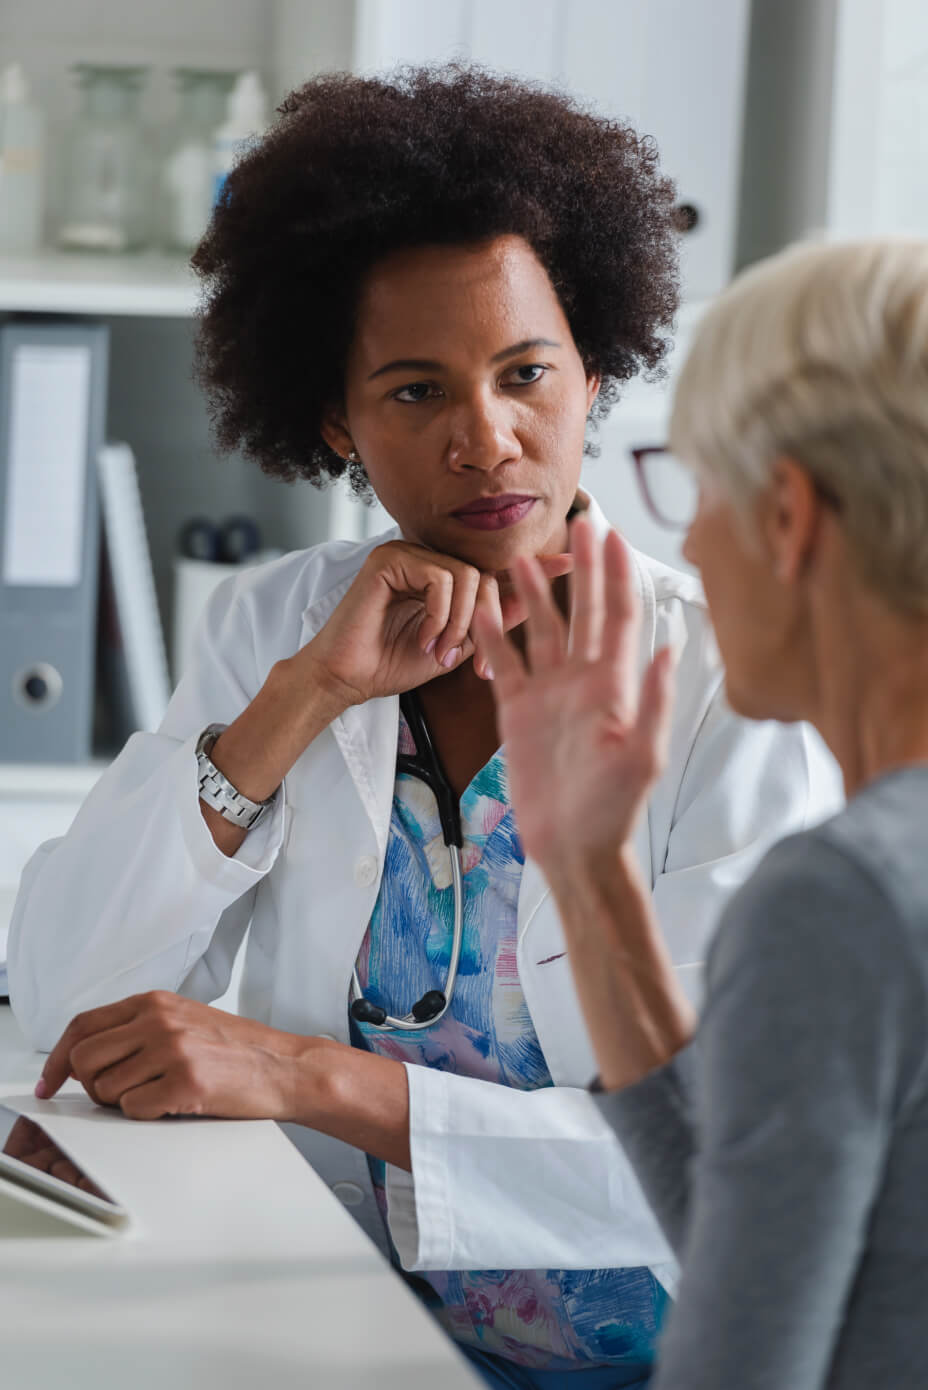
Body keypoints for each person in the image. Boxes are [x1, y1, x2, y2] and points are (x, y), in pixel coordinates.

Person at [9, 67, 835, 1389]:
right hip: (325, 1323)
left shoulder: (735, 679)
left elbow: (721, 1164)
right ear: (334, 417)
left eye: (526, 373)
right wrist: (298, 702)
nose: (487, 438)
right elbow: (57, 998)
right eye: (413, 392)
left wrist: (303, 1076)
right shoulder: (275, 629)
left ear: (597, 370)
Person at [475, 237, 928, 1389]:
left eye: (699, 483)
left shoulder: (843, 897)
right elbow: (753, 1237)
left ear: (786, 517)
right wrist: (588, 868)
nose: (689, 542)